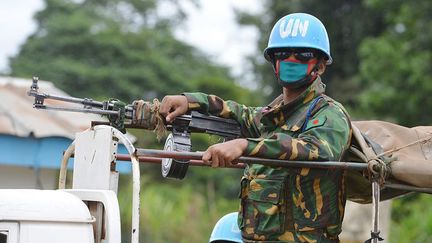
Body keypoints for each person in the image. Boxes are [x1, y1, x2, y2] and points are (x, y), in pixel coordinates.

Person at [134, 13, 352, 242]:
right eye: (283, 53)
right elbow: (240, 113)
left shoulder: (329, 113)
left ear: (320, 65)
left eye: (302, 54)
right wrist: (191, 101)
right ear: (273, 62)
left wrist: (243, 145)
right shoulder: (274, 115)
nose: (291, 59)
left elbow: (319, 149)